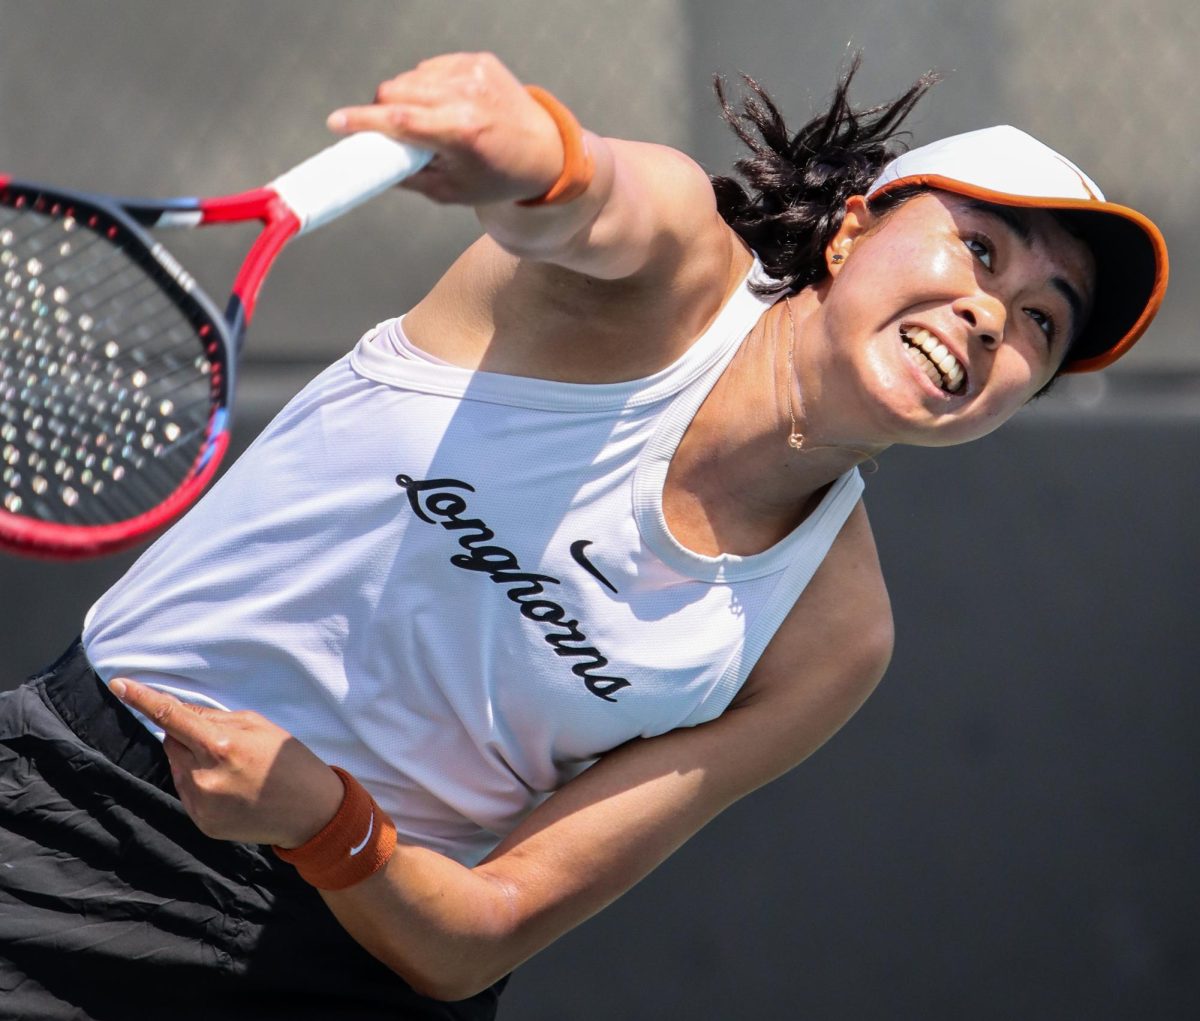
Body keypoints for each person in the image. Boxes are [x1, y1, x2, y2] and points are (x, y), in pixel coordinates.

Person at [0, 52, 1167, 1019]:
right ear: (856, 229)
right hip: (68, 809)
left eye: (1039, 324)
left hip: (346, 956)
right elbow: (600, 194)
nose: (989, 313)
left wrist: (325, 818)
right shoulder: (662, 283)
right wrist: (530, 150)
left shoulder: (835, 634)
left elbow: (479, 935)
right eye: (980, 249)